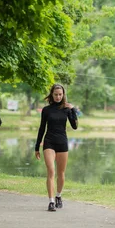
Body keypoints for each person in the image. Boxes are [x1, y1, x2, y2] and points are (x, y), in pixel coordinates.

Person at [35, 83, 78, 211]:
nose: (58, 97)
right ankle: (51, 201)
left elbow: (75, 126)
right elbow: (42, 128)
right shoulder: (46, 110)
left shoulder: (67, 109)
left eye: (60, 94)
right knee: (51, 171)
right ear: (52, 95)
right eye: (56, 94)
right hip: (49, 142)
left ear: (63, 95)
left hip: (62, 143)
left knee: (61, 173)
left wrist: (73, 110)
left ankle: (58, 195)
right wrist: (37, 146)